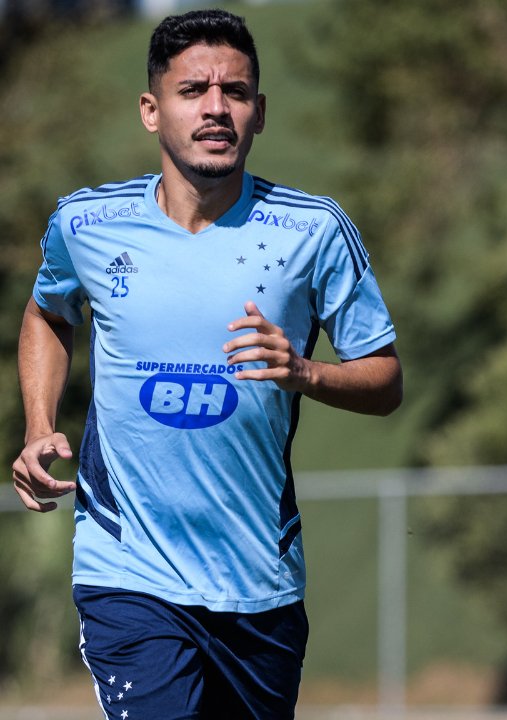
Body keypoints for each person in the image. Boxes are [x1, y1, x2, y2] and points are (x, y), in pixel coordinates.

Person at [10, 9, 401, 718]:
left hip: (259, 580)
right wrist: (38, 424)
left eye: (237, 92)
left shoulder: (314, 231)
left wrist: (306, 373)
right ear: (152, 111)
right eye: (194, 91)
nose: (216, 108)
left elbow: (384, 379)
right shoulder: (86, 226)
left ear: (260, 113)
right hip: (127, 569)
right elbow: (46, 313)